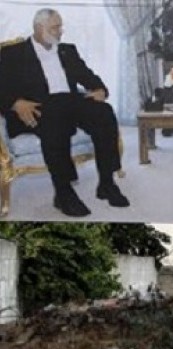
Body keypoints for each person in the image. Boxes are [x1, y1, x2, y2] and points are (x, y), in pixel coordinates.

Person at [0, 8, 128, 218]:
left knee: (103, 112)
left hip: (69, 101)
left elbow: (86, 75)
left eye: (60, 26)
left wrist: (99, 89)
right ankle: (63, 192)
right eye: (55, 27)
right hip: (37, 107)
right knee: (55, 121)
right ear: (40, 29)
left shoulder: (67, 50)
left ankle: (106, 183)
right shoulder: (13, 53)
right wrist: (15, 103)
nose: (61, 32)